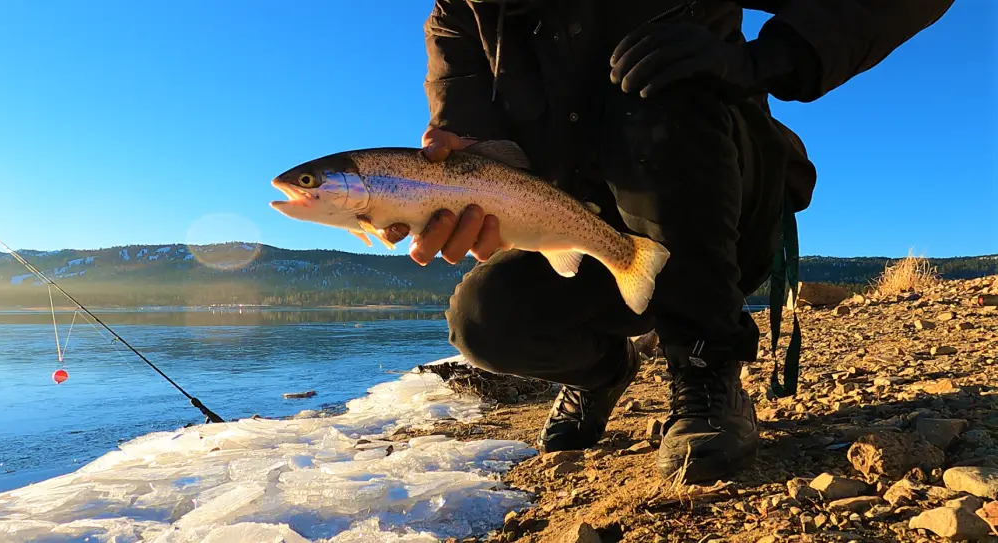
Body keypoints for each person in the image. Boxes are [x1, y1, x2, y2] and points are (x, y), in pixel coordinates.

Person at [377, 0, 953, 483]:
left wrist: (759, 60)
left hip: (721, 218)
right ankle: (600, 374)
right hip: (588, 238)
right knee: (485, 320)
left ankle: (706, 365)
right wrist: (422, 193)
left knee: (657, 85)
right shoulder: (461, 14)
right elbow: (470, 146)